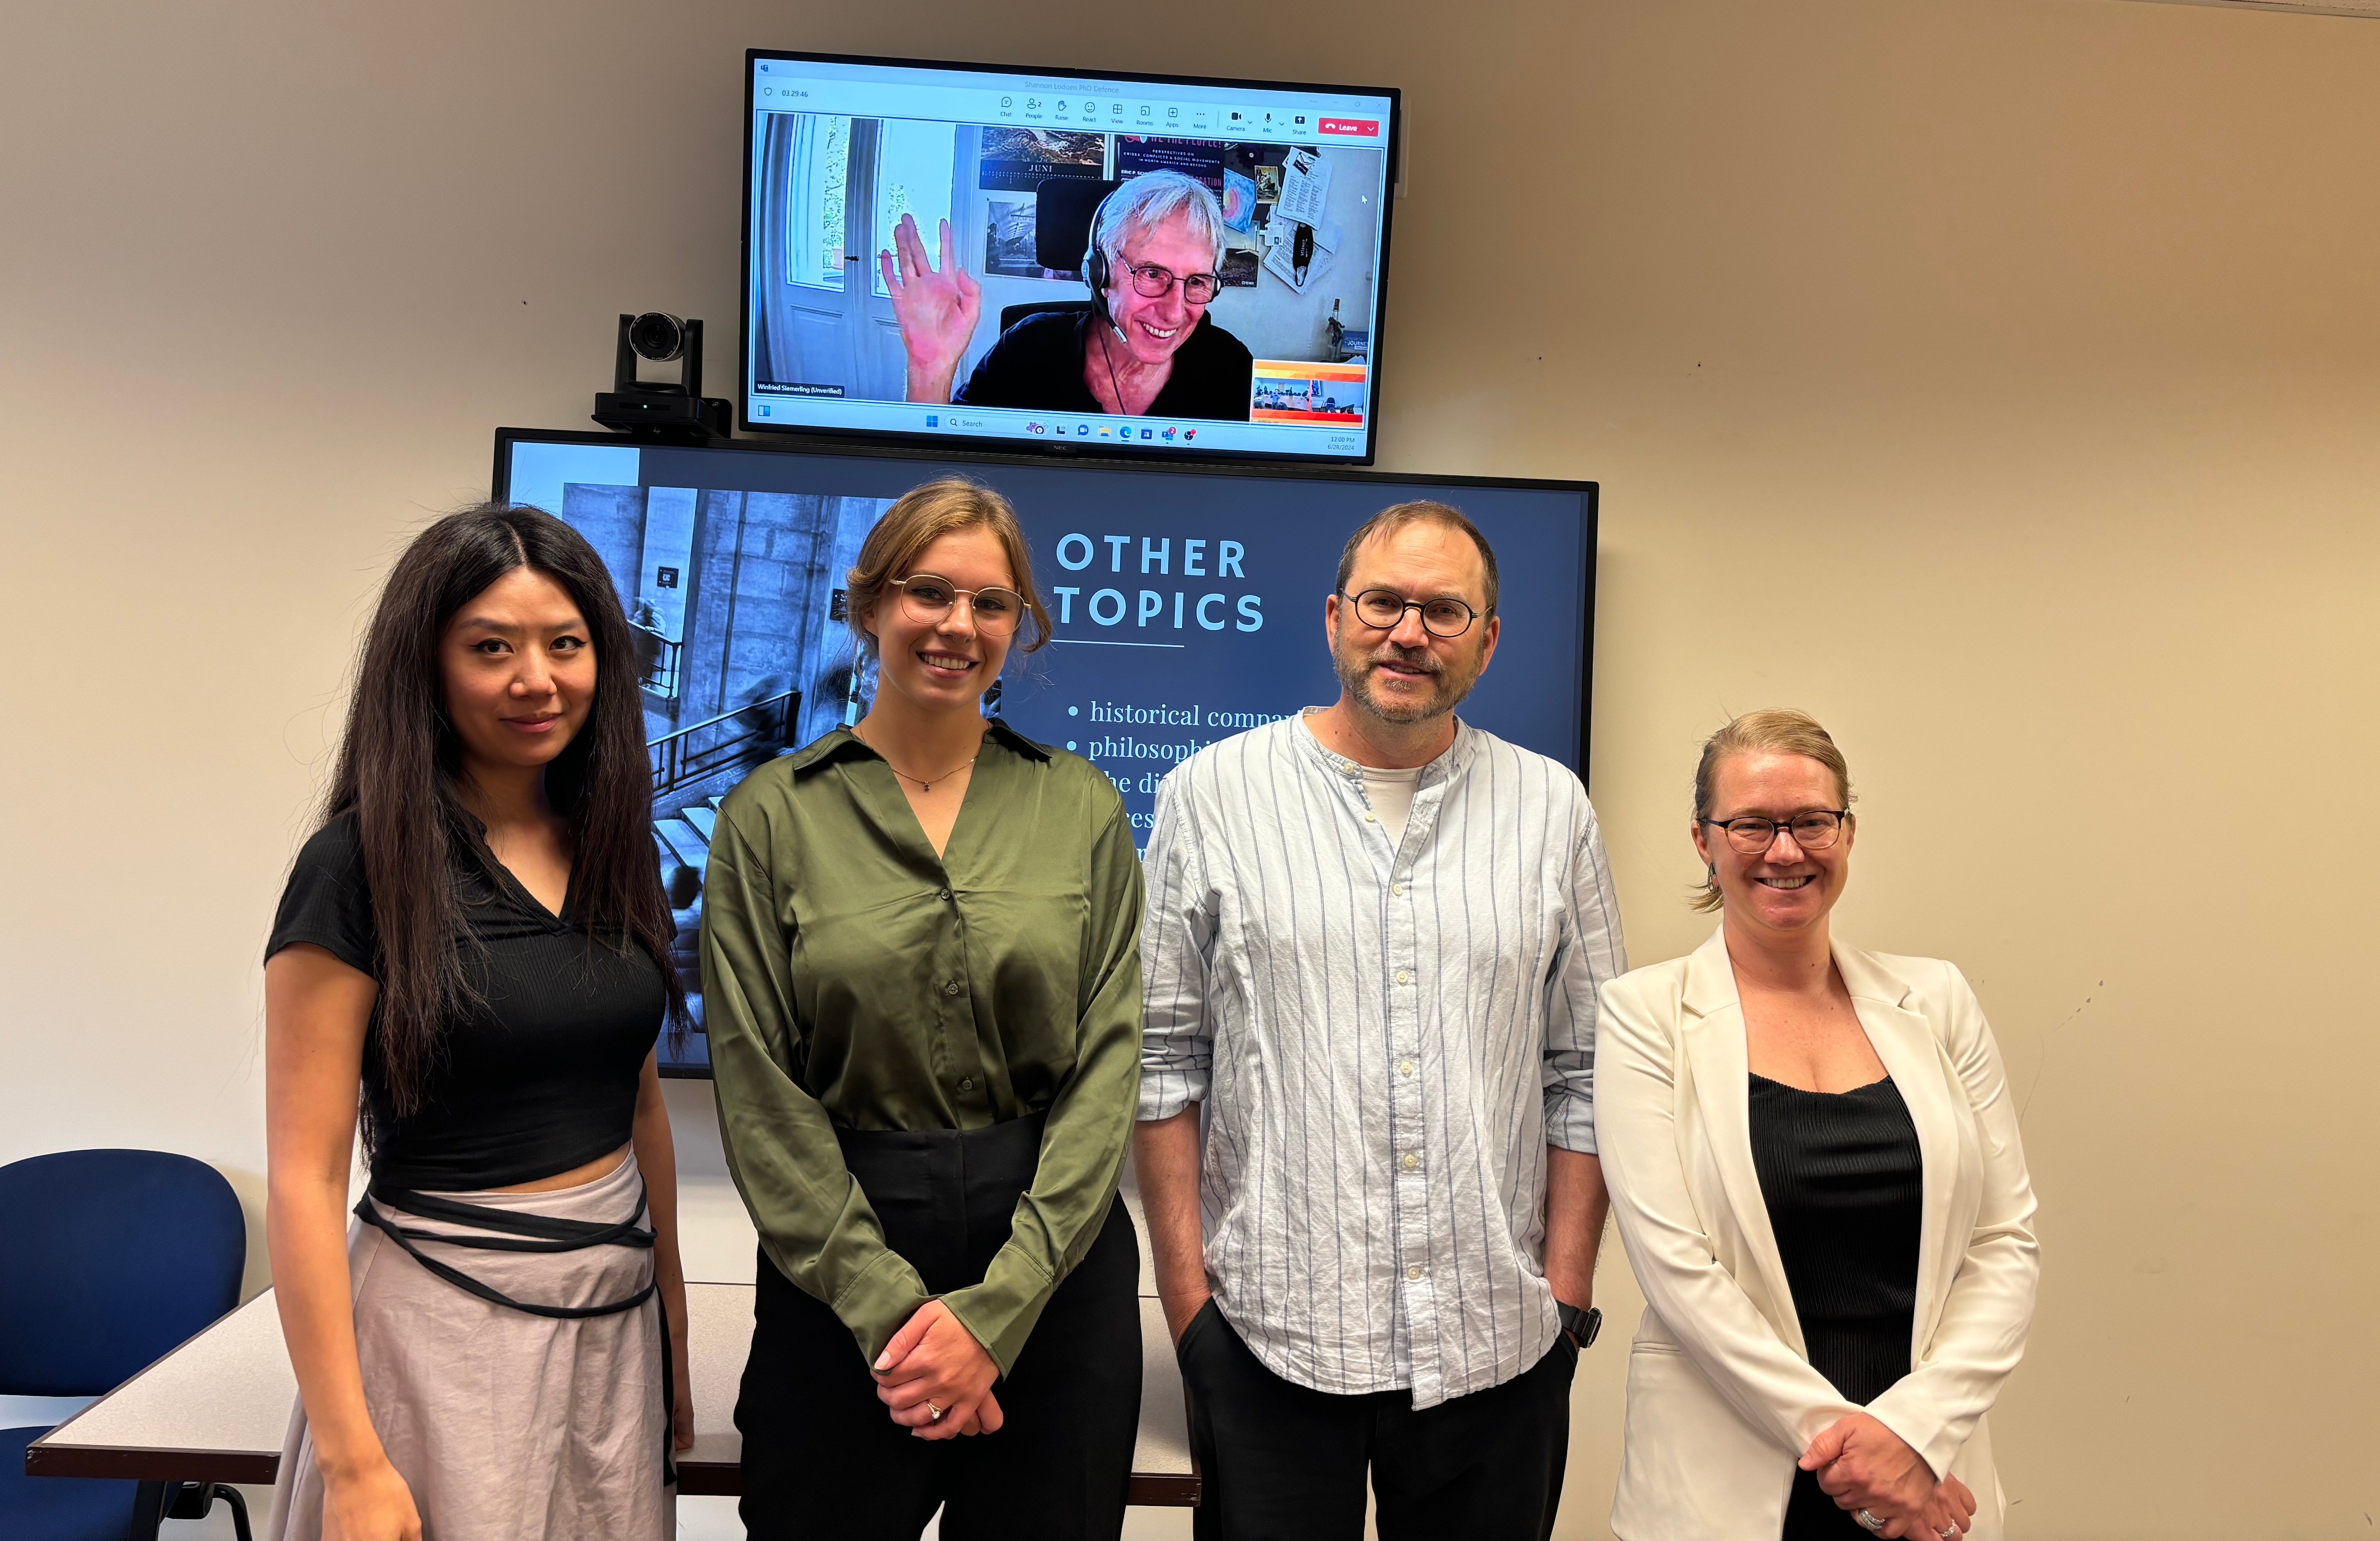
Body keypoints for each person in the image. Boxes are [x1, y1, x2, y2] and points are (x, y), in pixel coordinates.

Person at [1136, 500, 1628, 1539]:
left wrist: (1566, 1292)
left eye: (1444, 611)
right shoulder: (1209, 794)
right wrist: (1189, 1310)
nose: (1409, 631)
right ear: (1332, 618)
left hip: (1496, 1346)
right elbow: (1162, 1061)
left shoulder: (1553, 810)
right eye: (1384, 601)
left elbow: (1586, 1067)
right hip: (1268, 1336)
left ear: (1486, 643)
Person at [703, 478, 1146, 1539]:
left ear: (1019, 627)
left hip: (1054, 1262)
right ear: (867, 607)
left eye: (990, 604)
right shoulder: (767, 817)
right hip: (839, 1258)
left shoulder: (1079, 803)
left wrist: (997, 1318)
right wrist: (903, 1323)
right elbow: (760, 1090)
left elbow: (1108, 1065)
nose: (958, 625)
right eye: (926, 592)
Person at [261, 504, 693, 1541]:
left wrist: (673, 1326)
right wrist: (352, 1460)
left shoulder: (609, 841)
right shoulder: (357, 867)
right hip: (442, 1330)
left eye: (566, 645)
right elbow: (305, 1177)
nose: (535, 679)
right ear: (428, 665)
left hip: (612, 1318)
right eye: (491, 647)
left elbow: (635, 1099)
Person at [1593, 710, 2041, 1541]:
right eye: (1751, 823)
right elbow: (1676, 1271)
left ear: (1846, 830)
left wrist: (1911, 1432)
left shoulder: (1935, 1000)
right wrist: (1855, 1453)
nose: (1784, 849)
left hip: (1927, 1476)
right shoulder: (1643, 1013)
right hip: (1729, 1477)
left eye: (1809, 820)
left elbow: (2003, 1240)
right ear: (1702, 838)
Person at [881, 169, 1255, 420]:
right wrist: (930, 370)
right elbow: (945, 484)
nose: (1175, 313)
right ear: (1100, 273)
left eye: (1196, 282)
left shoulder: (1231, 367)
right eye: (1152, 273)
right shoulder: (1027, 349)